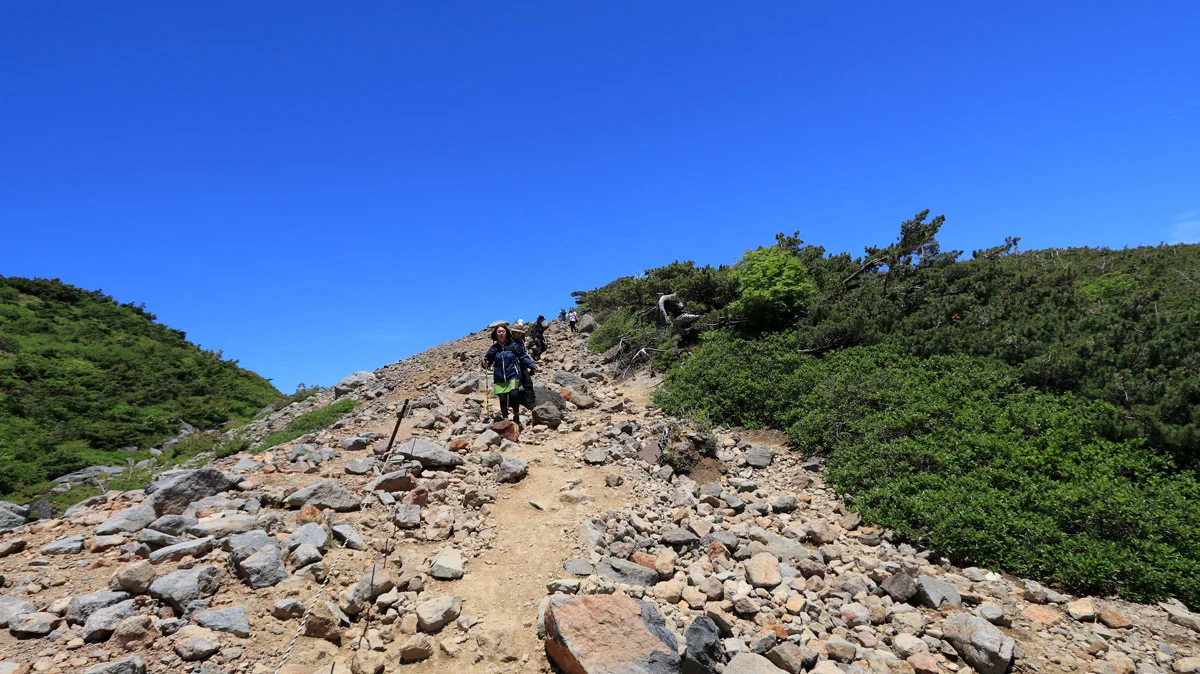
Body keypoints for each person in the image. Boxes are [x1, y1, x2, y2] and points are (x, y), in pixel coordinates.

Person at [483, 324, 537, 427]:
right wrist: (484, 363)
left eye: (503, 331)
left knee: (514, 394)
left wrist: (533, 366)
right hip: (499, 377)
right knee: (502, 398)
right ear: (496, 334)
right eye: (499, 332)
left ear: (507, 333)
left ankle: (516, 415)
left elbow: (522, 356)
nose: (501, 333)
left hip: (512, 375)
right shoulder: (494, 348)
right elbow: (487, 360)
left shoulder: (512, 345)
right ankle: (506, 419)